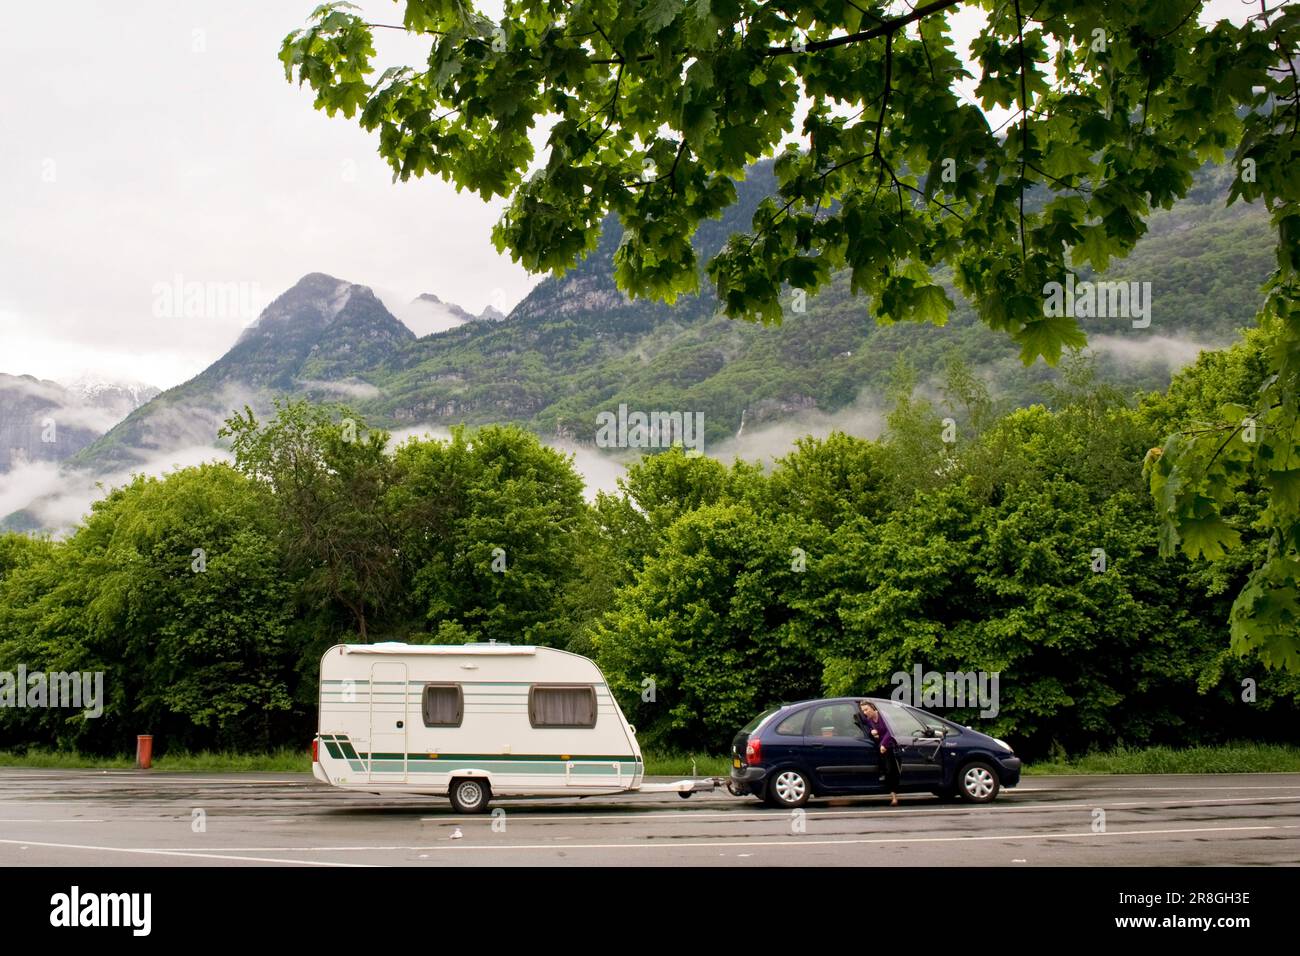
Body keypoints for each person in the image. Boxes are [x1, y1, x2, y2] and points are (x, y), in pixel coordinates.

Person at [855, 700, 900, 806]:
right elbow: (861, 723)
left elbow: (890, 731)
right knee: (885, 769)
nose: (865, 712)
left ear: (873, 708)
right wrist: (872, 733)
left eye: (867, 710)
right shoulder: (868, 720)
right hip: (879, 747)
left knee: (890, 770)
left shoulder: (883, 716)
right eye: (863, 710)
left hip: (889, 746)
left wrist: (883, 744)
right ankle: (890, 792)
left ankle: (894, 797)